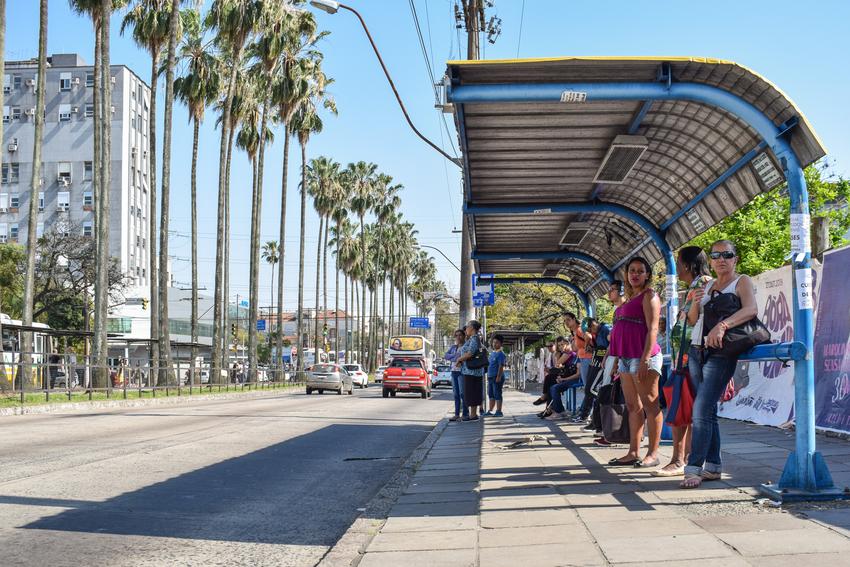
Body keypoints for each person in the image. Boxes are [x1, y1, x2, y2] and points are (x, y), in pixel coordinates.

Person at [681, 240, 757, 488]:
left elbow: (751, 310)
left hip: (722, 351)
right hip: (696, 349)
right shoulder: (708, 285)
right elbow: (692, 321)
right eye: (716, 255)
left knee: (701, 410)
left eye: (727, 254)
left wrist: (722, 325)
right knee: (707, 410)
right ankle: (713, 466)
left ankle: (693, 467)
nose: (721, 259)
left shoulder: (741, 281)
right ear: (710, 261)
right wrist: (695, 301)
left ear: (736, 258)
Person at [654, 246, 711, 477]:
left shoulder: (703, 283)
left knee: (683, 407)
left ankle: (681, 459)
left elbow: (697, 317)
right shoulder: (694, 286)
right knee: (683, 407)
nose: (676, 268)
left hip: (692, 357)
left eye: (678, 263)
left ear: (687, 264)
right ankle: (683, 459)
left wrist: (686, 316)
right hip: (684, 357)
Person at [608, 257, 663, 468]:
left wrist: (645, 359)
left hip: (643, 357)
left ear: (647, 274)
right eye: (632, 271)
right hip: (625, 358)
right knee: (632, 406)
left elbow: (653, 329)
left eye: (640, 271)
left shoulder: (649, 295)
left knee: (651, 404)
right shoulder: (630, 299)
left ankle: (653, 453)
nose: (635, 274)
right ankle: (633, 451)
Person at [593, 280, 627, 446]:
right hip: (614, 356)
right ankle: (611, 430)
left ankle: (618, 432)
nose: (609, 293)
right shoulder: (616, 311)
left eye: (612, 290)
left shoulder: (624, 309)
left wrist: (616, 361)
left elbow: (621, 338)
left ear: (621, 291)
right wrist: (607, 356)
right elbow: (615, 339)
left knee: (620, 396)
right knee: (610, 394)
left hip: (623, 357)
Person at [575, 316, 610, 426]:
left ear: (594, 323)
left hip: (602, 364)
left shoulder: (606, 329)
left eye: (591, 329)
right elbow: (598, 348)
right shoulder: (597, 334)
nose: (591, 331)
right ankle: (595, 418)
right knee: (588, 390)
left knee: (592, 390)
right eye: (589, 330)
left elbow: (609, 346)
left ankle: (598, 417)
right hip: (595, 362)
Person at [456, 320, 485, 421]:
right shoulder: (474, 339)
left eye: (467, 327)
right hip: (471, 371)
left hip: (472, 371)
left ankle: (473, 415)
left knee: (471, 392)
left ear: (472, 328)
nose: (466, 329)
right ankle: (472, 414)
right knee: (472, 392)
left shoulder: (474, 339)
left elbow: (470, 353)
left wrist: (459, 359)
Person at [544, 341, 581, 420]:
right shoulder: (575, 356)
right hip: (569, 378)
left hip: (575, 380)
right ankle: (554, 409)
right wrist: (561, 377)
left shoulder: (577, 356)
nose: (573, 345)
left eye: (574, 343)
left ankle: (558, 411)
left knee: (554, 387)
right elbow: (562, 368)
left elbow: (577, 375)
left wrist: (563, 379)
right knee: (551, 383)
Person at [535, 336, 569, 408]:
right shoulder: (554, 354)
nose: (549, 348)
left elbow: (558, 365)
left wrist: (551, 369)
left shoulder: (566, 353)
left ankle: (547, 401)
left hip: (565, 375)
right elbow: (557, 366)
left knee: (550, 383)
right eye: (559, 345)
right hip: (559, 374)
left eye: (551, 346)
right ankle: (548, 409)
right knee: (550, 385)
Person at [445, 329, 468, 422]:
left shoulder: (466, 346)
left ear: (464, 336)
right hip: (454, 372)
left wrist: (455, 357)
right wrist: (456, 356)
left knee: (463, 394)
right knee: (456, 395)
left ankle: (465, 414)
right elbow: (446, 356)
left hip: (462, 372)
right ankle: (456, 414)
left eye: (460, 335)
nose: (458, 337)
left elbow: (462, 357)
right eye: (456, 335)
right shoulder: (453, 347)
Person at [485, 334, 507, 417]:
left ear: (501, 344)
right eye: (494, 342)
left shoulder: (501, 354)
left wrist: (498, 377)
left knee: (497, 393)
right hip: (490, 377)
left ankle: (499, 411)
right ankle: (490, 410)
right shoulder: (492, 353)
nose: (494, 344)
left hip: (497, 377)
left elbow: (501, 366)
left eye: (497, 343)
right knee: (491, 394)